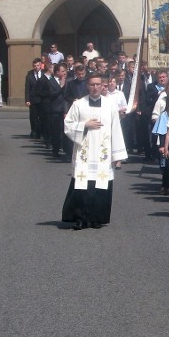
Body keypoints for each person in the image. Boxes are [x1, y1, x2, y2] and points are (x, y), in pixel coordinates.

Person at [61, 74, 127, 230]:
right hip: (84, 152)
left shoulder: (110, 105)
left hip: (102, 154)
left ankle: (97, 218)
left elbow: (116, 129)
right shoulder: (79, 105)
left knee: (100, 187)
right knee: (82, 186)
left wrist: (117, 156)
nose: (95, 87)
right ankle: (80, 218)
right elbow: (68, 125)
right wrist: (85, 124)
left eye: (98, 84)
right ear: (87, 86)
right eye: (92, 85)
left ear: (102, 85)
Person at [25, 58, 44, 139]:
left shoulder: (44, 74)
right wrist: (27, 100)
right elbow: (27, 88)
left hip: (42, 99)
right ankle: (34, 131)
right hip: (33, 99)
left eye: (38, 65)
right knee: (33, 116)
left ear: (40, 66)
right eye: (35, 66)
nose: (36, 67)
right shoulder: (29, 75)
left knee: (42, 116)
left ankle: (42, 131)